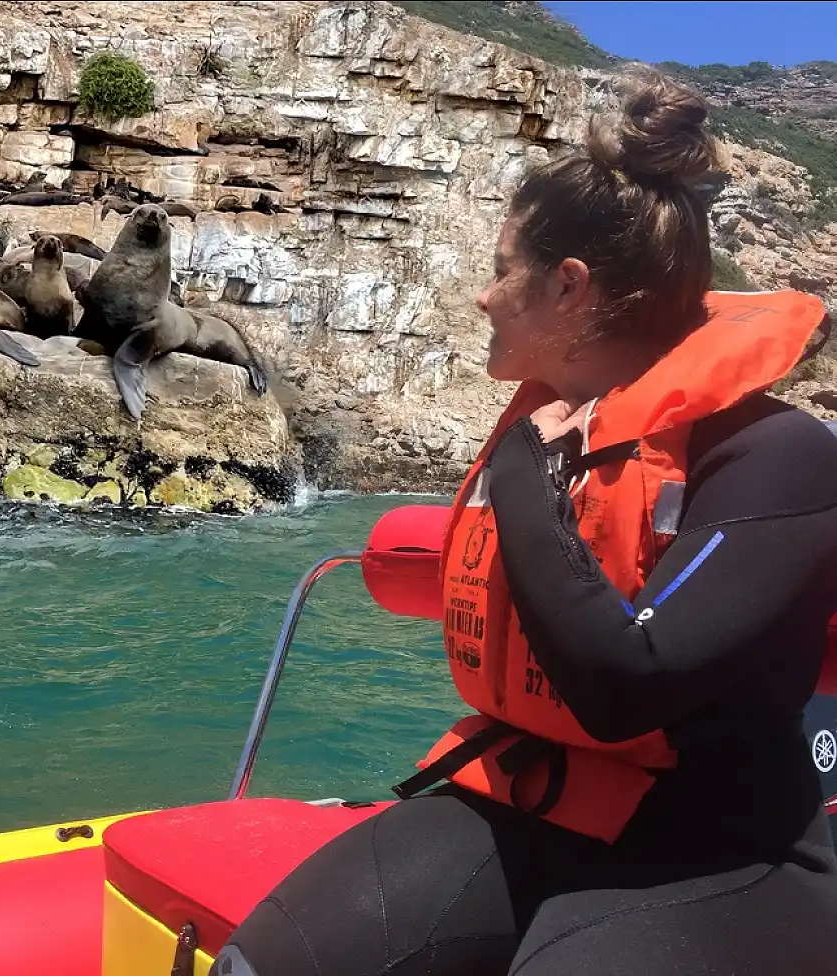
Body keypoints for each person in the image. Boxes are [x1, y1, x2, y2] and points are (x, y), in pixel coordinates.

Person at [210, 68, 837, 976]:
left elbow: (627, 685)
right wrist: (533, 470)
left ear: (569, 287)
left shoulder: (778, 454)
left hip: (716, 844)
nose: (485, 296)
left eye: (505, 271)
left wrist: (523, 482)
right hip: (529, 797)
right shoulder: (554, 434)